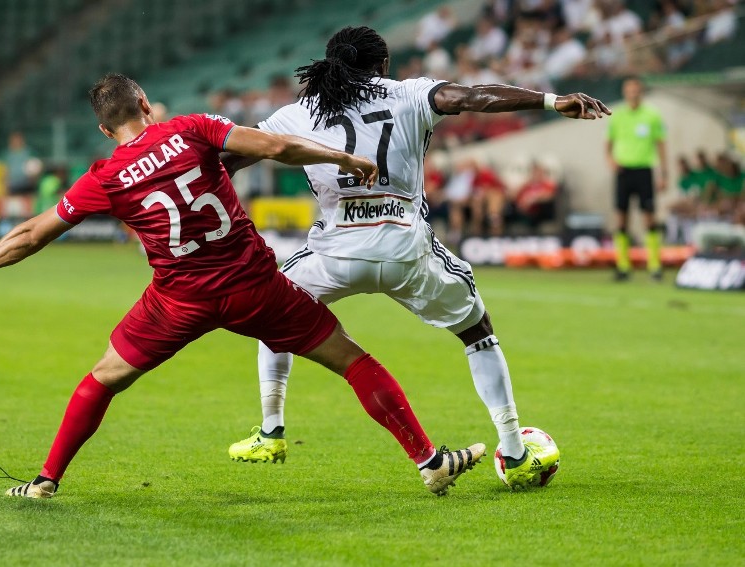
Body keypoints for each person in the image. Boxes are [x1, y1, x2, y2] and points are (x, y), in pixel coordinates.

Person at [0, 73, 486, 499]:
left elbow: (32, 234)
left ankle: (47, 478)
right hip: (256, 287)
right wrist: (341, 156)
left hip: (178, 300)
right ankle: (428, 462)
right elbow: (275, 147)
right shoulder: (192, 128)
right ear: (147, 103)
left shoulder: (105, 177)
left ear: (105, 129)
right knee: (352, 360)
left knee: (103, 379)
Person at [221, 26, 608, 489]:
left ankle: (271, 430)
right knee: (476, 331)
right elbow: (472, 97)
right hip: (406, 248)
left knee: (275, 311)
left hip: (334, 254)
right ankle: (514, 450)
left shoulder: (296, 114)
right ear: (382, 65)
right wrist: (551, 101)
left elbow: (229, 159)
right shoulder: (409, 93)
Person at [605, 75, 668, 280]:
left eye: (635, 90)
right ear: (625, 92)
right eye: (629, 90)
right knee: (621, 218)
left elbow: (661, 144)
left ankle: (654, 266)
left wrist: (663, 173)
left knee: (649, 216)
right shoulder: (617, 115)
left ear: (641, 92)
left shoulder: (652, 115)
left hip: (644, 170)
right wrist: (611, 161)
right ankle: (623, 266)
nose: (632, 93)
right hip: (624, 171)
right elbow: (608, 143)